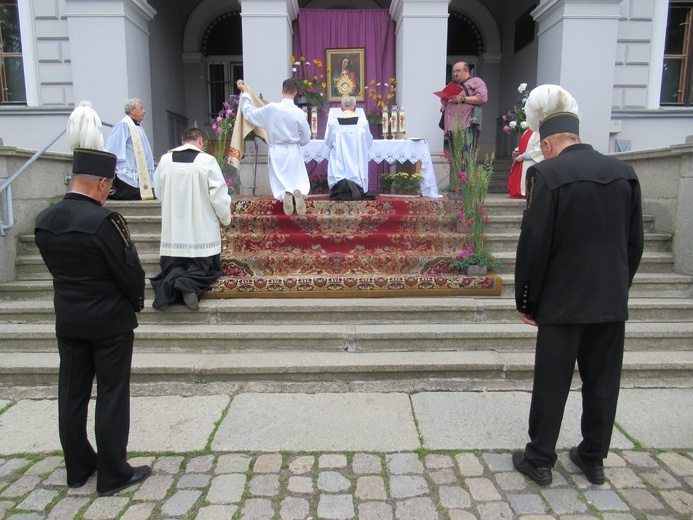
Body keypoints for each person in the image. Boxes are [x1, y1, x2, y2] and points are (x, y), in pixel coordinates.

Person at [511, 85, 644, 487]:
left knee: (552, 380)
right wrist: (619, 286)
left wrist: (527, 300)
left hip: (562, 300)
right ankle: (593, 457)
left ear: (548, 143)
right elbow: (634, 243)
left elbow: (534, 245)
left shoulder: (547, 174)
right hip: (609, 298)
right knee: (602, 381)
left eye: (542, 145)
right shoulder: (625, 173)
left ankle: (539, 459)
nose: (542, 152)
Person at [34, 103, 150, 496]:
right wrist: (135, 300)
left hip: (68, 319)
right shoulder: (105, 221)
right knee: (112, 396)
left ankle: (78, 467)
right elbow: (130, 272)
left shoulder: (44, 220)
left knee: (72, 394)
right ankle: (113, 472)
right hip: (109, 323)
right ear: (101, 183)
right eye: (110, 186)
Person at [150, 127, 232, 311]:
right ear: (201, 141)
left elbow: (158, 191)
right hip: (200, 229)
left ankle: (174, 284)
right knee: (206, 269)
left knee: (174, 266)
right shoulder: (206, 161)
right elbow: (218, 195)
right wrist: (225, 218)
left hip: (174, 231)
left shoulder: (165, 160)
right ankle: (187, 285)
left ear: (182, 141)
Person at [236, 78, 311, 216]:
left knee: (281, 179)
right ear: (295, 93)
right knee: (296, 177)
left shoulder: (272, 109)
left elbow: (249, 114)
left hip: (277, 149)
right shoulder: (299, 112)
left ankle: (285, 194)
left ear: (282, 91)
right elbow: (306, 136)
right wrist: (298, 142)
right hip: (293, 149)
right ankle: (297, 192)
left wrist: (245, 93)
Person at [324, 95, 374, 200]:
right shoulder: (362, 123)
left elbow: (328, 143)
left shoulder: (333, 123)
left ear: (341, 108)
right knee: (357, 169)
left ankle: (342, 188)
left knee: (338, 170)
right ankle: (356, 186)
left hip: (340, 160)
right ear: (355, 107)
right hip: (356, 160)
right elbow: (368, 142)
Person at [105, 98, 155, 200]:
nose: (144, 111)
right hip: (128, 166)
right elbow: (114, 145)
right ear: (132, 110)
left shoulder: (137, 126)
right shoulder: (123, 124)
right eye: (141, 109)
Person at [440, 62, 487, 151]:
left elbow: (482, 98)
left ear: (466, 71)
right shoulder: (452, 85)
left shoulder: (476, 81)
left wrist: (462, 99)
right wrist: (444, 102)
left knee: (466, 157)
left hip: (467, 126)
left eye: (457, 71)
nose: (455, 74)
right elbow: (444, 108)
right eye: (454, 72)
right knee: (456, 159)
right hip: (452, 128)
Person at [507, 129, 542, 198]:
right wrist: (516, 151)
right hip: (522, 161)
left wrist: (524, 156)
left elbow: (539, 149)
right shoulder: (527, 131)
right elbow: (524, 145)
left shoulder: (539, 132)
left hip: (530, 162)